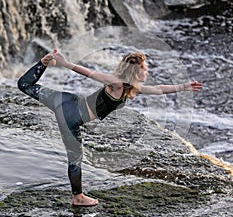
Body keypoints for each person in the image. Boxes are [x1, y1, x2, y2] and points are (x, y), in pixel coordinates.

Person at [17, 49, 202, 207]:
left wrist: (184, 86)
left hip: (67, 101)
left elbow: (159, 89)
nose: (148, 72)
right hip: (69, 117)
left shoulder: (132, 86)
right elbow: (89, 73)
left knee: (25, 85)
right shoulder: (116, 83)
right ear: (135, 71)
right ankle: (78, 198)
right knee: (75, 158)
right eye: (145, 69)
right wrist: (66, 63)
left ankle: (43, 62)